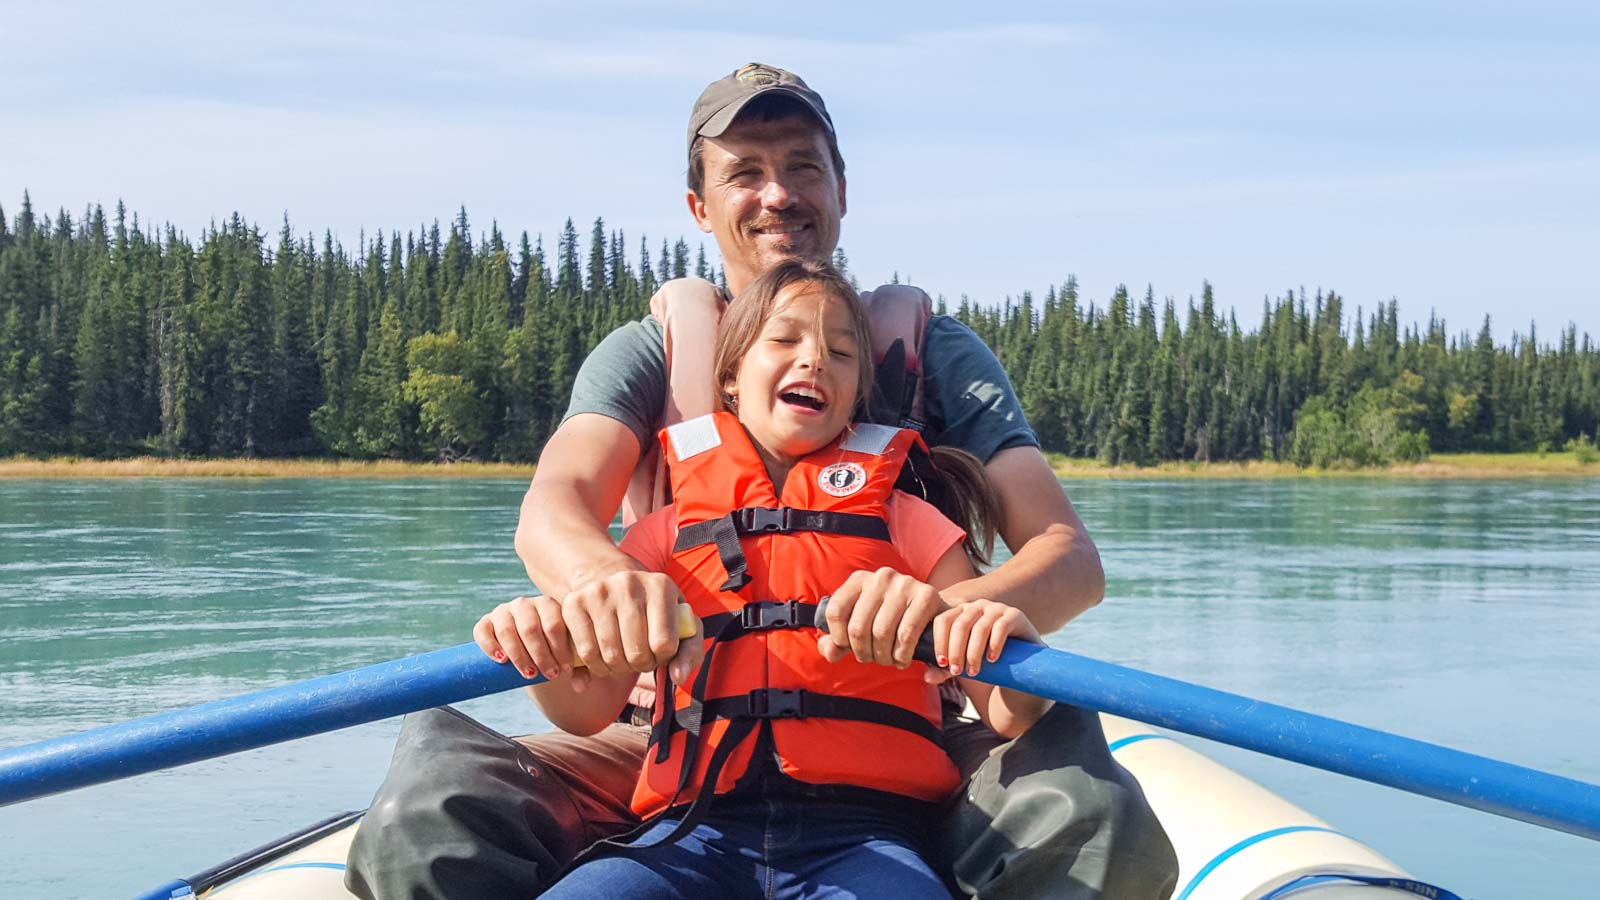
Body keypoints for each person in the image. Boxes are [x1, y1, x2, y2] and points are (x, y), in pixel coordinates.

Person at [345, 64, 1177, 899]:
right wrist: (608, 587)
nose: (777, 193)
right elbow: (552, 511)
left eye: (802, 166)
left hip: (893, 743)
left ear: (841, 191)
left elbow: (1069, 557)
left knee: (1086, 806)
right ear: (700, 207)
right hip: (667, 737)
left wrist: (946, 619)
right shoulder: (651, 353)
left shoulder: (929, 353)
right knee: (429, 807)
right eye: (744, 170)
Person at [492, 260, 1049, 898]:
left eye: (841, 353)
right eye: (784, 341)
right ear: (730, 377)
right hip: (687, 834)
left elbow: (1005, 712)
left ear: (854, 394)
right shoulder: (661, 536)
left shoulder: (910, 522)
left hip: (871, 834)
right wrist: (541, 650)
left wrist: (1005, 628)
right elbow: (587, 710)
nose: (815, 360)